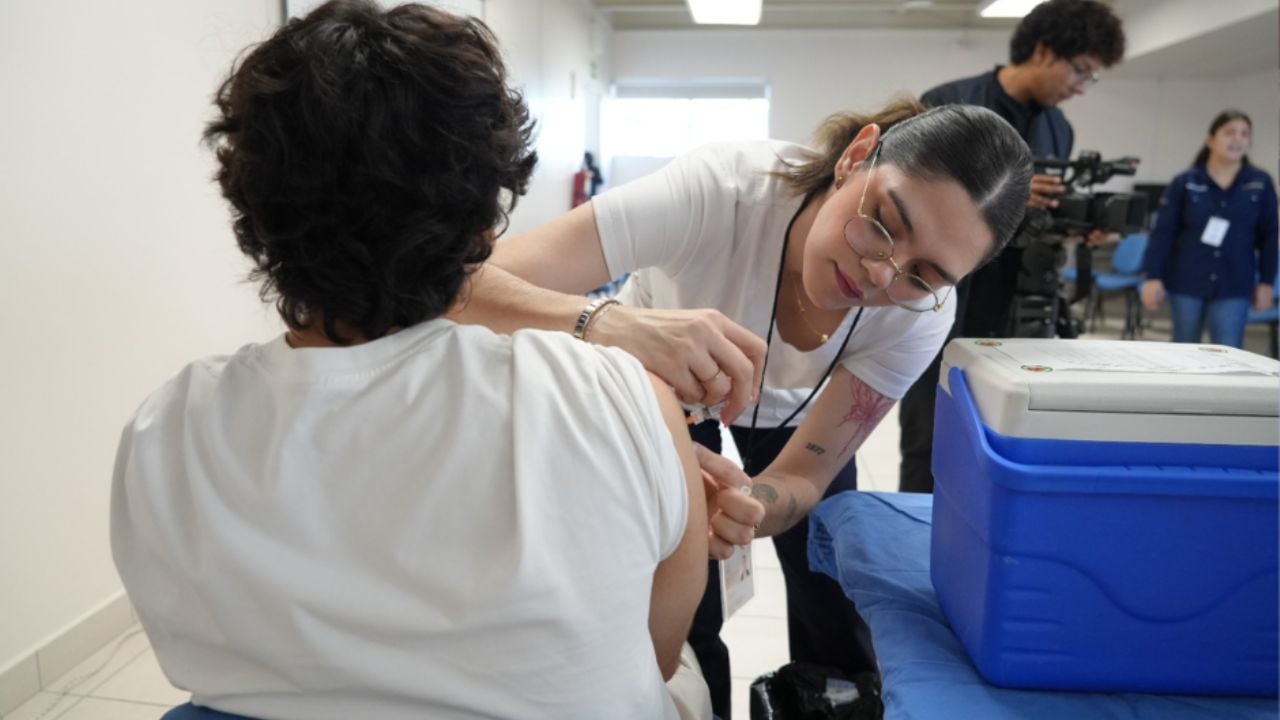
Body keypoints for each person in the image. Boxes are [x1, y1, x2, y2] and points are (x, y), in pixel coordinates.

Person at [109, 3, 722, 718]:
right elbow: (652, 653)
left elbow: (190, 645)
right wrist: (658, 488)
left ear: (251, 208)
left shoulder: (166, 430)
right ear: (485, 227)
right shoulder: (621, 399)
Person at [453, 98, 1033, 716]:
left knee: (835, 605)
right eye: (884, 224)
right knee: (686, 621)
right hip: (666, 398)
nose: (878, 274)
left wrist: (747, 506)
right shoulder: (718, 192)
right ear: (856, 157)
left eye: (922, 274)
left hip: (802, 423)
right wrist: (613, 323)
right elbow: (463, 284)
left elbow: (806, 472)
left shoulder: (920, 316)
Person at [898, 0, 1126, 493]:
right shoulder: (951, 104)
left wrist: (1071, 225)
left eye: (1092, 78)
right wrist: (1010, 200)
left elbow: (1036, 217)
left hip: (1020, 302)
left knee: (1006, 436)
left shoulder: (1058, 128)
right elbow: (918, 203)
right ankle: (917, 549)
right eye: (1080, 71)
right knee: (930, 439)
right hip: (946, 296)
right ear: (1044, 51)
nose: (1081, 87)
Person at [1141, 111, 1278, 347]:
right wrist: (1153, 276)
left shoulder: (1260, 182)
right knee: (1184, 349)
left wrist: (1267, 282)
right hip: (1187, 280)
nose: (1237, 139)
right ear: (1210, 140)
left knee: (1228, 350)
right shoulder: (1186, 181)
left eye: (1244, 134)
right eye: (1229, 132)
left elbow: (1270, 236)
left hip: (1234, 282)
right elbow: (1163, 233)